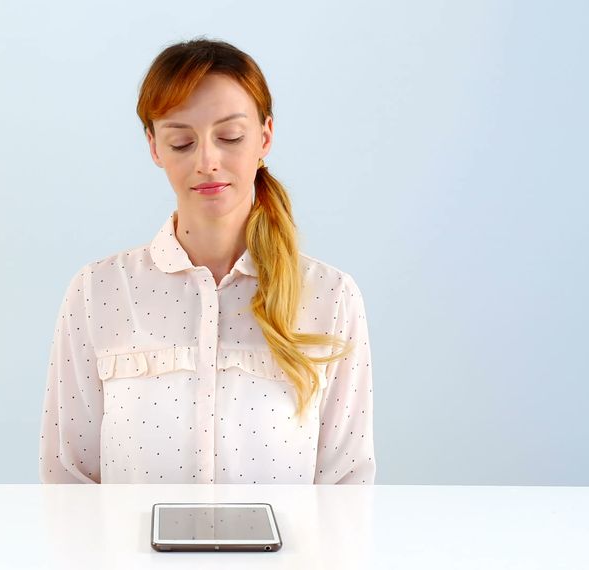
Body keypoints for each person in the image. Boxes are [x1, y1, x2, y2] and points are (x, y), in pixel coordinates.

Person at [38, 37, 375, 485]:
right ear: (155, 148)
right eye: (181, 142)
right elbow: (67, 478)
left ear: (265, 137)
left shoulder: (331, 297)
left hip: (285, 559)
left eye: (230, 136)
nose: (208, 161)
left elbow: (346, 487)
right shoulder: (98, 292)